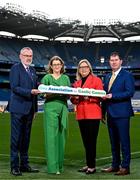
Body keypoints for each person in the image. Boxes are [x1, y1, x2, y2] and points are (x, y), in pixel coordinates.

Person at [101, 52, 135, 175]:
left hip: (122, 114)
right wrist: (102, 112)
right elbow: (104, 95)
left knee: (124, 141)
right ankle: (115, 165)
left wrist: (113, 96)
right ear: (109, 62)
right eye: (111, 60)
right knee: (113, 142)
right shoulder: (107, 76)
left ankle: (125, 167)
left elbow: (129, 92)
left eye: (116, 60)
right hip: (110, 113)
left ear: (121, 61)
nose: (114, 62)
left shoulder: (127, 75)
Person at [9, 47, 40, 176]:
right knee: (16, 139)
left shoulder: (32, 70)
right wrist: (29, 92)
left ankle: (24, 164)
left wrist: (35, 110)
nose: (28, 57)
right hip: (18, 109)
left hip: (29, 110)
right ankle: (14, 166)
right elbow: (14, 87)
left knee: (26, 139)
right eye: (26, 55)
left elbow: (36, 91)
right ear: (20, 56)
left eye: (30, 55)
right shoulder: (15, 69)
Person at [70, 59, 103, 174]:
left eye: (85, 67)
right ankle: (88, 163)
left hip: (93, 114)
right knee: (85, 141)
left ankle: (92, 166)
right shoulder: (77, 83)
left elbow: (101, 96)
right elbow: (73, 99)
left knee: (91, 141)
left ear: (89, 68)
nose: (83, 69)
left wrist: (87, 97)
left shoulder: (96, 80)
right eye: (81, 67)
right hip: (81, 114)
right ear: (79, 70)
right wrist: (76, 98)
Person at [41, 56, 70, 174]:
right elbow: (43, 94)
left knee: (61, 136)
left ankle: (60, 166)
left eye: (59, 64)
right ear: (51, 66)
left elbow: (68, 95)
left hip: (63, 107)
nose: (57, 66)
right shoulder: (47, 77)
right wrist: (55, 92)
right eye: (54, 64)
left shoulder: (66, 78)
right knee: (51, 137)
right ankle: (53, 168)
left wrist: (68, 93)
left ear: (61, 66)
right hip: (50, 108)